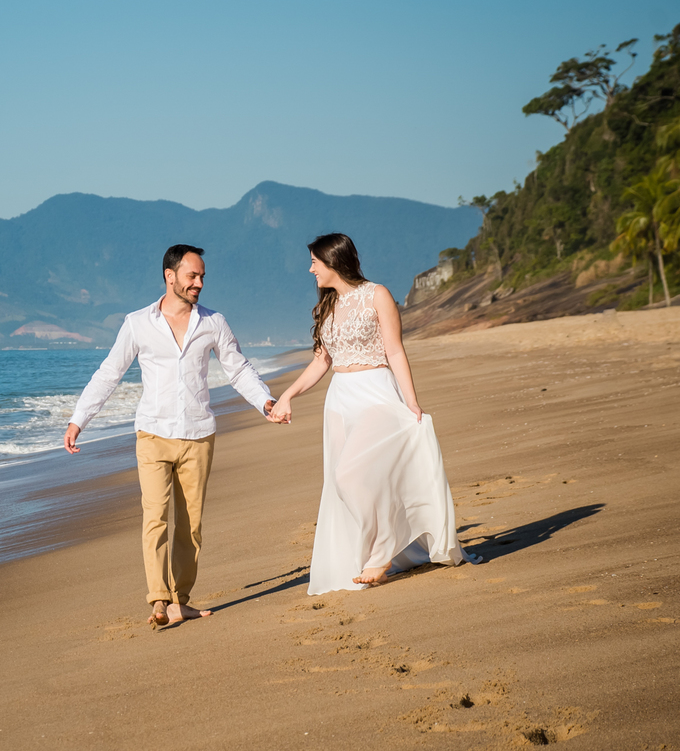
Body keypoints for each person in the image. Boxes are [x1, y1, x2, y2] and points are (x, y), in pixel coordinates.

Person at [65, 244, 277, 626]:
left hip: (198, 435)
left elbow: (238, 369)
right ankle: (158, 601)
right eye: (192, 276)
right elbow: (109, 373)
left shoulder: (213, 322)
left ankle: (180, 599)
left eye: (202, 277)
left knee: (190, 525)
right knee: (155, 517)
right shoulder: (137, 323)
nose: (199, 283)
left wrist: (266, 402)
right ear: (170, 275)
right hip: (153, 434)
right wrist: (79, 419)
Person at [268, 233, 478, 594]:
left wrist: (411, 401)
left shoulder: (377, 294)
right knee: (343, 480)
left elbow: (395, 351)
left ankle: (380, 554)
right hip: (339, 400)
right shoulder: (326, 306)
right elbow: (321, 361)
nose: (310, 269)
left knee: (351, 475)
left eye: (315, 262)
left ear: (333, 261)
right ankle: (377, 551)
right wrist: (287, 395)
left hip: (376, 392)